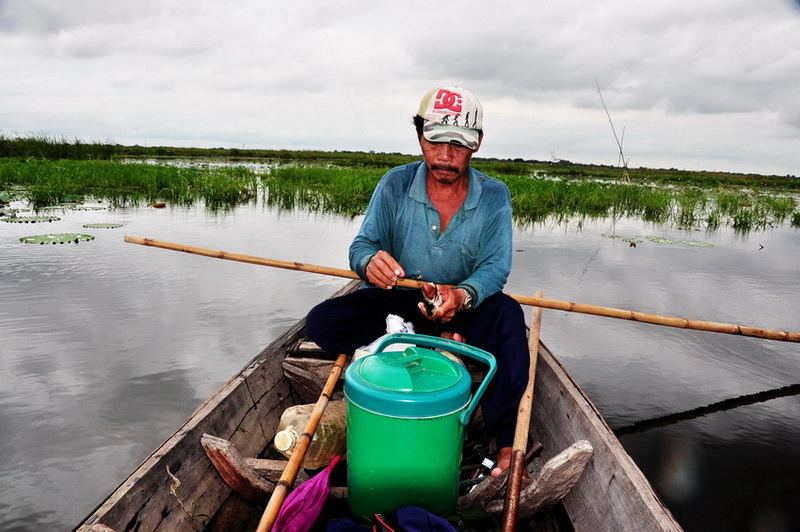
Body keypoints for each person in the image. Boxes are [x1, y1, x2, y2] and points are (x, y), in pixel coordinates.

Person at [306, 85, 529, 477]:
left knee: (509, 317)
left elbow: (495, 268)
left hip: (463, 308)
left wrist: (462, 295)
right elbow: (363, 245)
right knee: (323, 321)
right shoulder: (394, 183)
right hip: (403, 304)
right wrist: (369, 262)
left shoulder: (495, 196)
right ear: (420, 137)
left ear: (476, 144)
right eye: (436, 141)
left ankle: (508, 444)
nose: (445, 156)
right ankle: (429, 340)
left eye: (458, 145)